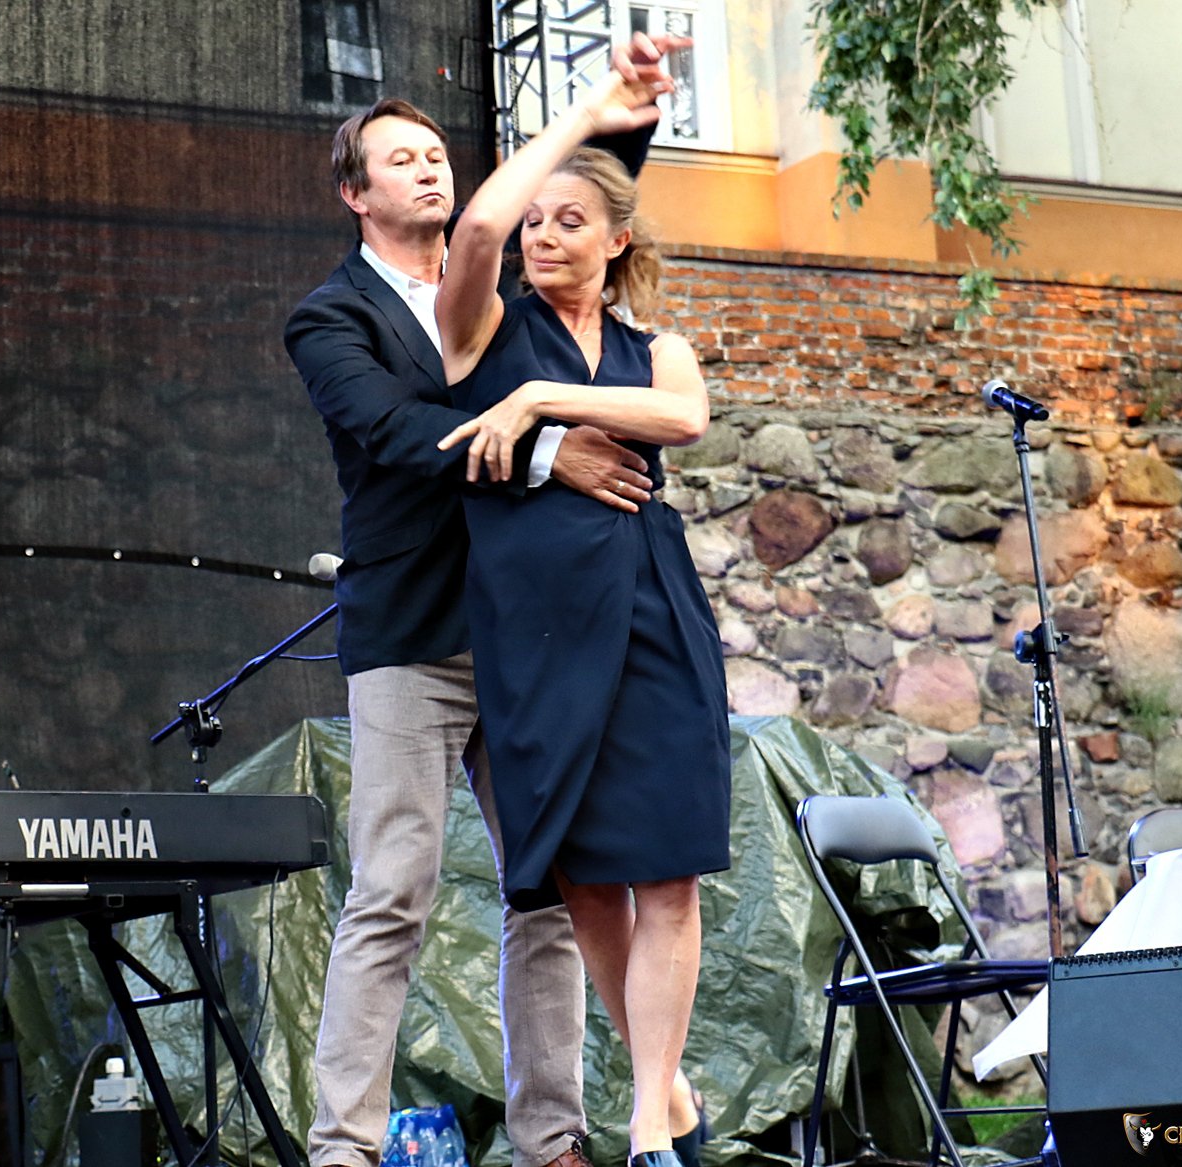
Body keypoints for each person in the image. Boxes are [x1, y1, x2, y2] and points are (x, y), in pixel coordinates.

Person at [283, 35, 705, 1167]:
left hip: (534, 636)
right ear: (354, 194)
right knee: (392, 891)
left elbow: (591, 212)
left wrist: (627, 108)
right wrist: (547, 449)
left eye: (437, 155)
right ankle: (344, 1147)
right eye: (401, 159)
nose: (430, 169)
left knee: (553, 890)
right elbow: (393, 432)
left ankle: (552, 1137)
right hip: (414, 634)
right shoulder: (329, 318)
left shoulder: (514, 302)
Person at [434, 64, 731, 1167]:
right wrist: (582, 125)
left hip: (654, 610)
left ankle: (647, 1121)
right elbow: (475, 229)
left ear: (617, 239)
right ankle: (671, 1097)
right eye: (537, 221)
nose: (542, 236)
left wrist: (538, 401)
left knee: (669, 872)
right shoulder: (481, 330)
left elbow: (685, 419)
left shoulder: (659, 350)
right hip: (539, 632)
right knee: (584, 877)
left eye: (571, 220)